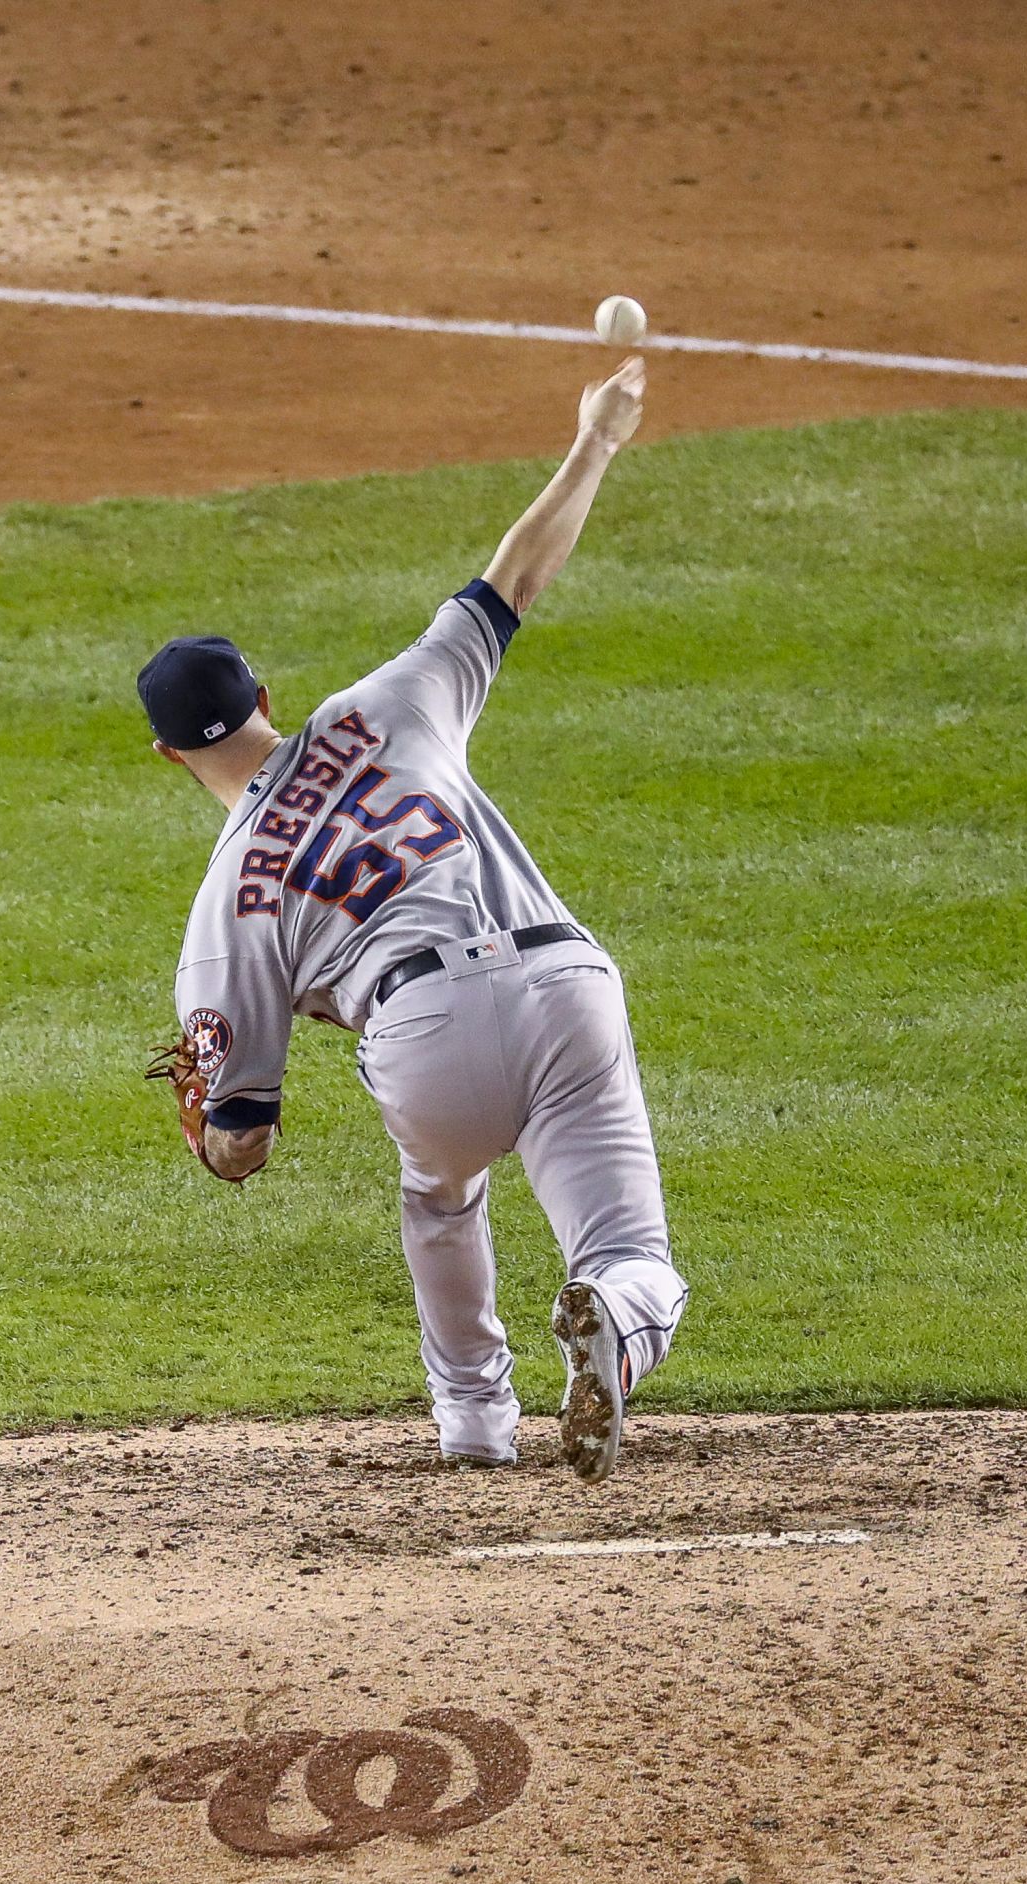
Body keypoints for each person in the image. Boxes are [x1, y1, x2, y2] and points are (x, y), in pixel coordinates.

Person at [138, 355, 687, 1480]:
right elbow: (515, 577)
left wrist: (206, 1133)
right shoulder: (387, 700)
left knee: (441, 1197)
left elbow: (245, 1140)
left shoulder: (226, 898)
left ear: (167, 756)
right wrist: (599, 440)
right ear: (267, 700)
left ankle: (477, 1424)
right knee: (631, 1249)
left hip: (422, 1038)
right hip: (564, 987)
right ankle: (617, 1325)